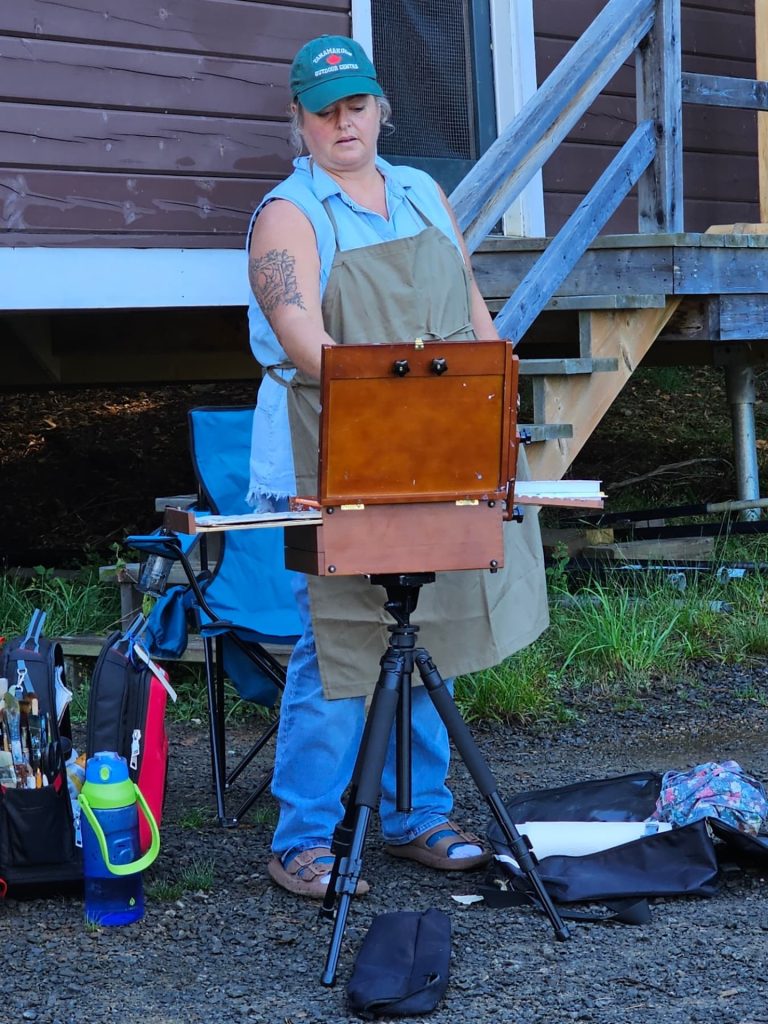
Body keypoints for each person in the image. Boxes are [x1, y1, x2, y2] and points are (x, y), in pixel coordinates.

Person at [246, 35, 549, 898]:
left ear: (382, 109)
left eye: (357, 105)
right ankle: (302, 837)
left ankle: (416, 816)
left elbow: (470, 305)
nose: (343, 122)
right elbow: (304, 334)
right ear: (299, 120)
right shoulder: (288, 213)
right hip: (332, 441)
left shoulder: (420, 191)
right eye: (324, 108)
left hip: (437, 437)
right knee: (338, 643)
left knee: (433, 623)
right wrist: (384, 403)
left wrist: (494, 407)